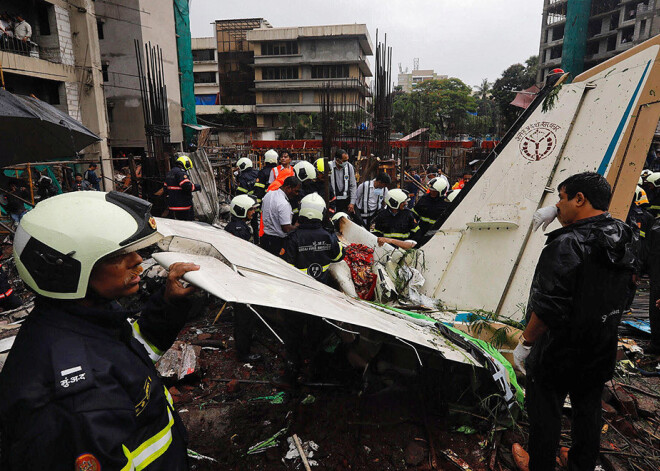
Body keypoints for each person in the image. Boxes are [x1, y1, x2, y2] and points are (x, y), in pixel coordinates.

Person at [0, 191, 199, 470]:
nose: (138, 261)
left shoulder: (83, 319)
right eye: (118, 255)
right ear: (67, 270)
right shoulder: (77, 402)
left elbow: (128, 355)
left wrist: (169, 304)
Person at [512, 172, 636, 471]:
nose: (557, 205)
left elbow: (548, 307)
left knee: (546, 413)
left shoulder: (565, 244)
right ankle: (581, 464)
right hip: (600, 342)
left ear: (580, 199)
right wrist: (560, 211)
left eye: (562, 199)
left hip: (560, 348)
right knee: (588, 410)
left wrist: (526, 344)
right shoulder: (624, 234)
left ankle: (540, 464)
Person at [225, 194, 262, 363]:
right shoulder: (239, 230)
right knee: (243, 316)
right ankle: (243, 352)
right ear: (242, 211)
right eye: (251, 209)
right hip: (240, 277)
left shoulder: (238, 226)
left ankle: (248, 339)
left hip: (240, 276)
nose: (253, 212)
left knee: (247, 314)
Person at [283, 193, 344, 285]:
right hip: (323, 285)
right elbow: (338, 256)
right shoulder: (327, 235)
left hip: (299, 285)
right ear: (322, 212)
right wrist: (333, 234)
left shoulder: (293, 237)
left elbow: (286, 267)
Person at [261, 176, 301, 256]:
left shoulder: (269, 195)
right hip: (277, 242)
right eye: (296, 191)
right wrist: (296, 226)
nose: (297, 194)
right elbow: (286, 229)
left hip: (265, 239)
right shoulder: (283, 204)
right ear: (288, 188)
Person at [413, 176, 451, 241]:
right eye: (431, 190)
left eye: (434, 191)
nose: (432, 192)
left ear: (441, 191)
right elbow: (414, 215)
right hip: (421, 232)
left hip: (438, 234)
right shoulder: (424, 199)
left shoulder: (446, 203)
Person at [164, 154, 201, 221]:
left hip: (172, 206)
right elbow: (187, 186)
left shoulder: (170, 173)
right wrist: (197, 187)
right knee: (187, 226)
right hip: (183, 206)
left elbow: (165, 188)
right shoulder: (181, 173)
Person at [328, 149, 357, 215]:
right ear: (337, 160)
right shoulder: (329, 166)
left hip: (346, 202)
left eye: (347, 160)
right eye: (344, 160)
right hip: (332, 201)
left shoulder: (349, 167)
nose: (346, 162)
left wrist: (352, 203)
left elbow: (353, 185)